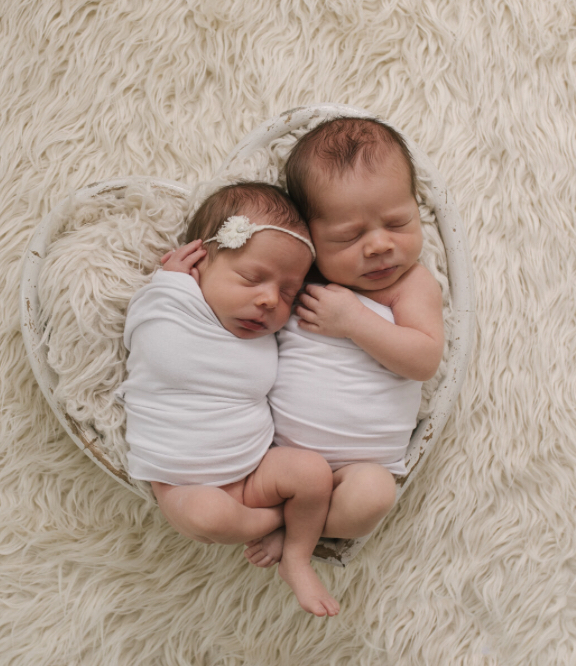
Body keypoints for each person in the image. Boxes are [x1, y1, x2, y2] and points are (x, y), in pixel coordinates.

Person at [117, 182, 340, 617]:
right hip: (184, 482)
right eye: (252, 278)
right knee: (208, 518)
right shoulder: (175, 300)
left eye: (288, 293)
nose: (268, 299)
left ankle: (295, 557)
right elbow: (145, 319)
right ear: (199, 263)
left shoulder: (271, 332)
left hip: (254, 470)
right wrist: (171, 278)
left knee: (313, 473)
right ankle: (281, 521)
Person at [245, 117, 445, 566]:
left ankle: (296, 529)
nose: (378, 246)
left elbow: (424, 359)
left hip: (362, 468)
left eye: (397, 223)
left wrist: (356, 321)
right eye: (348, 236)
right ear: (310, 236)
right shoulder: (301, 278)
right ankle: (276, 515)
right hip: (281, 455)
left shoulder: (410, 285)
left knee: (373, 500)